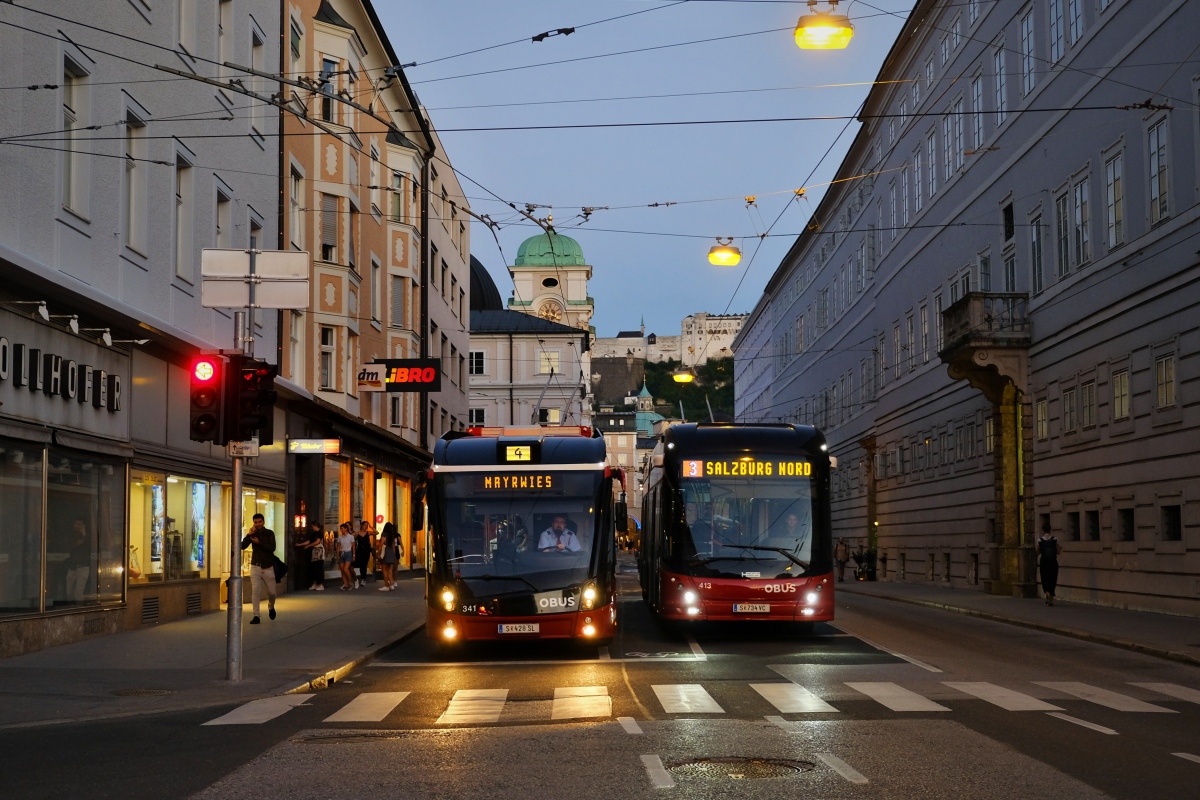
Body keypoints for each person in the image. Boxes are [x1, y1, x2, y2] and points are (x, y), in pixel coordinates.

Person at [240, 514, 277, 623]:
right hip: (255, 566)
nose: (258, 524)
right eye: (255, 522)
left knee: (272, 592)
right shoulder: (252, 534)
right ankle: (256, 615)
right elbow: (242, 546)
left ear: (263, 522)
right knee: (255, 591)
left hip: (268, 567)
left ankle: (271, 606)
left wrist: (259, 543)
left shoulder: (270, 533)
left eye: (259, 522)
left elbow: (272, 548)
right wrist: (248, 535)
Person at [65, 518, 92, 603]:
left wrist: (84, 535)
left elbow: (90, 547)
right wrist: (76, 545)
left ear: (84, 526)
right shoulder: (70, 535)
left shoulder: (88, 536)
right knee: (69, 592)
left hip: (83, 567)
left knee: (78, 593)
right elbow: (67, 548)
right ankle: (71, 607)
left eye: (79, 524)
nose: (77, 526)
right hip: (72, 567)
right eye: (76, 524)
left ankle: (79, 610)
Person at [1037, 522, 1063, 606]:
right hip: (1053, 562)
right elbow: (1058, 552)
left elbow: (1037, 552)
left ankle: (1047, 596)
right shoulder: (1055, 539)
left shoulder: (1040, 540)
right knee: (1053, 579)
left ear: (1043, 530)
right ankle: (1051, 595)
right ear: (1050, 530)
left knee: (1045, 580)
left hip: (1044, 562)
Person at [298, 521, 325, 591]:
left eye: (312, 526)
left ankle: (320, 583)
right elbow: (310, 541)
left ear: (316, 526)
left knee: (318, 567)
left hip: (319, 551)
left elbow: (317, 542)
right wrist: (301, 544)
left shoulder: (320, 533)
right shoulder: (313, 533)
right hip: (314, 551)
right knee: (314, 567)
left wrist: (308, 546)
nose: (312, 528)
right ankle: (315, 583)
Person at [377, 521, 403, 591]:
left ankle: (386, 585)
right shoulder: (392, 535)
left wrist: (378, 553)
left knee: (384, 570)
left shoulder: (384, 534)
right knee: (390, 569)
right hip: (391, 552)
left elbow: (381, 544)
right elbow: (393, 546)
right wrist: (394, 554)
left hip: (386, 552)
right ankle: (391, 584)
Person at [354, 520, 375, 588]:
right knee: (360, 564)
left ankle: (363, 579)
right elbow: (352, 538)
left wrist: (371, 527)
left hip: (366, 550)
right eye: (365, 525)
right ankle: (361, 577)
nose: (366, 526)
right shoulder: (357, 533)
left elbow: (376, 532)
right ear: (361, 525)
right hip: (359, 550)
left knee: (364, 564)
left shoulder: (368, 533)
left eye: (367, 525)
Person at [336, 522, 356, 590]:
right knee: (342, 570)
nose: (341, 530)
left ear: (346, 529)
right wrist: (337, 555)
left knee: (345, 569)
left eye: (342, 529)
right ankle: (345, 584)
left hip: (348, 553)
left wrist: (353, 555)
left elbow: (353, 546)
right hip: (342, 553)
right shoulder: (340, 537)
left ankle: (350, 582)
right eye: (340, 529)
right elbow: (338, 546)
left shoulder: (351, 537)